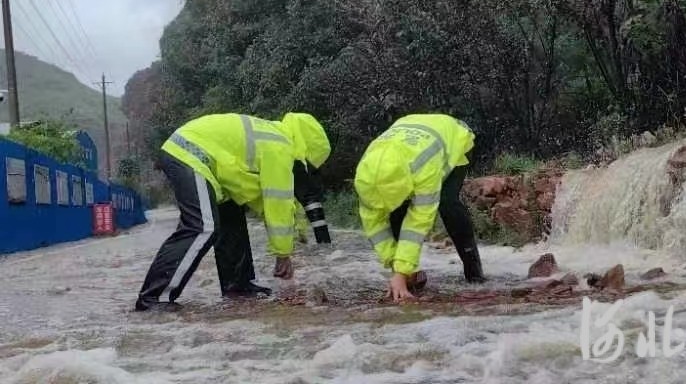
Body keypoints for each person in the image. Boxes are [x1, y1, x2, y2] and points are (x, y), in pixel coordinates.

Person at [135, 112, 332, 312]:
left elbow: (263, 200)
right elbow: (277, 204)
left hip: (204, 159)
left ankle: (237, 286)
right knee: (203, 226)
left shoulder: (274, 135)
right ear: (306, 154)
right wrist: (283, 253)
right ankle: (153, 298)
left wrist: (298, 230)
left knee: (231, 214)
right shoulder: (281, 148)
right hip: (190, 153)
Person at [354, 113, 485, 303]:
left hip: (454, 138)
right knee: (397, 212)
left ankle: (474, 273)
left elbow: (418, 222)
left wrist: (400, 270)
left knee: (448, 204)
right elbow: (374, 225)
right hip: (409, 131)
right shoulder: (367, 176)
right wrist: (396, 266)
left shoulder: (424, 167)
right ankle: (409, 277)